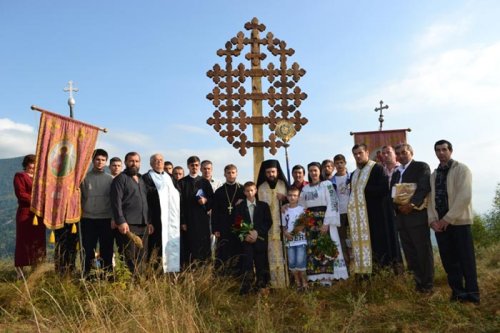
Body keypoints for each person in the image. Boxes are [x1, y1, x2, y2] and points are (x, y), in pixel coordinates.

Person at [428, 140, 480, 304]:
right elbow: (430, 200)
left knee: (466, 259)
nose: (441, 152)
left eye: (444, 149)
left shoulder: (462, 169)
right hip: (440, 225)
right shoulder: (434, 175)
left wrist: (447, 219)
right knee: (449, 261)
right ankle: (457, 292)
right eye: (438, 150)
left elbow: (464, 197)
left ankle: (472, 293)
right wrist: (432, 221)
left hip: (459, 222)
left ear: (450, 151)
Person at [348, 143, 397, 275]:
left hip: (377, 216)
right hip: (361, 219)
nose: (358, 156)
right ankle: (365, 274)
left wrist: (363, 189)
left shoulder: (377, 168)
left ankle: (382, 274)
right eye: (355, 154)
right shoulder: (354, 174)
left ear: (367, 153)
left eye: (360, 153)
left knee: (379, 246)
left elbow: (383, 189)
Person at [391, 143, 434, 293]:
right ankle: (417, 284)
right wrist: (398, 207)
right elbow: (393, 193)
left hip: (416, 216)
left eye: (404, 152)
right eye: (398, 153)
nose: (401, 155)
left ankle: (427, 285)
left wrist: (412, 204)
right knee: (410, 253)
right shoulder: (396, 173)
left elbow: (424, 187)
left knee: (423, 251)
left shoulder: (421, 167)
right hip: (401, 218)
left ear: (411, 152)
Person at [300, 162, 348, 283]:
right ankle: (316, 278)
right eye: (310, 171)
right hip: (311, 223)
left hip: (325, 221)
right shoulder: (305, 189)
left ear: (319, 171)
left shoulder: (326, 185)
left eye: (315, 170)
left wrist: (326, 223)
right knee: (313, 248)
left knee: (327, 247)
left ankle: (330, 278)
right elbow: (301, 206)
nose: (313, 173)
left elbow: (333, 203)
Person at [110, 152, 152, 274]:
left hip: (143, 224)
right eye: (131, 161)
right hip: (128, 225)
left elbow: (147, 202)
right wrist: (121, 221)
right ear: (126, 162)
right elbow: (116, 202)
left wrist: (149, 222)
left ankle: (139, 284)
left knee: (142, 256)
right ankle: (129, 285)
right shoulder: (120, 179)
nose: (134, 163)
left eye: (137, 161)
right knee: (129, 256)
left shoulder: (142, 179)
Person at [142, 154, 181, 273]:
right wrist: (149, 221)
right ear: (151, 163)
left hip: (171, 219)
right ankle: (155, 273)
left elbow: (178, 193)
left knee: (172, 244)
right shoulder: (146, 177)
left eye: (161, 160)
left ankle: (171, 271)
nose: (159, 162)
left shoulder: (170, 177)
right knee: (156, 246)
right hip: (156, 219)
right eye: (155, 160)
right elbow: (146, 198)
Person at [233, 181, 272, 295]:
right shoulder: (240, 206)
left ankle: (261, 287)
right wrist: (245, 235)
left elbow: (268, 222)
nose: (250, 193)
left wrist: (257, 232)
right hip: (247, 241)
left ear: (255, 191)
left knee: (261, 263)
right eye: (247, 191)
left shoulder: (263, 206)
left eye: (252, 190)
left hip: (259, 240)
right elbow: (237, 223)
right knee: (247, 263)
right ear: (244, 192)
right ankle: (247, 288)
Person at [80, 149, 114, 277]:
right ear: (92, 160)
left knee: (107, 249)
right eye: (97, 160)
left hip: (106, 218)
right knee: (88, 249)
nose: (100, 162)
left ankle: (108, 274)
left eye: (103, 160)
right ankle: (87, 274)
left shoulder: (110, 179)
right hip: (88, 218)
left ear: (106, 162)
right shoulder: (84, 178)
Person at [256, 159, 289, 288]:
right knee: (268, 256)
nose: (271, 174)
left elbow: (293, 201)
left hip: (282, 227)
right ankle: (271, 283)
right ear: (265, 173)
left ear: (277, 171)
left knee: (284, 254)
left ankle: (285, 282)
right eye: (268, 172)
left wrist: (285, 198)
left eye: (273, 172)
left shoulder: (283, 185)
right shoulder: (261, 187)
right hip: (267, 229)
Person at [14, 154, 46, 279]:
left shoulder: (40, 178)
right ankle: (19, 272)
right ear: (26, 164)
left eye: (35, 163)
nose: (33, 166)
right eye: (31, 163)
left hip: (39, 215)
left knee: (38, 242)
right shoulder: (20, 176)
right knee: (23, 241)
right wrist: (38, 201)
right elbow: (21, 194)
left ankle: (36, 271)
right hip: (25, 212)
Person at [178, 156, 214, 265]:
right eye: (192, 165)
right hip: (188, 220)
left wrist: (206, 200)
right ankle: (189, 270)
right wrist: (182, 221)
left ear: (199, 166)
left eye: (197, 165)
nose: (195, 167)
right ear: (188, 166)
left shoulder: (205, 182)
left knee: (203, 245)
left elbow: (212, 200)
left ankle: (204, 270)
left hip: (202, 219)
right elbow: (179, 203)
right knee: (189, 245)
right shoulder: (182, 183)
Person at [211, 164, 245, 275]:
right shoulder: (219, 191)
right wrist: (215, 228)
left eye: (233, 172)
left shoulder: (242, 190)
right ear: (224, 174)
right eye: (228, 173)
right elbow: (215, 211)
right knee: (223, 252)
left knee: (238, 251)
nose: (231, 175)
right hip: (223, 226)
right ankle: (222, 277)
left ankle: (239, 277)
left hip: (238, 225)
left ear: (237, 173)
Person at [281, 187, 308, 290]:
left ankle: (305, 284)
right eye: (290, 195)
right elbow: (284, 225)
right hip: (289, 241)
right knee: (292, 263)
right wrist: (285, 233)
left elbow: (303, 224)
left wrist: (295, 232)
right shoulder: (285, 210)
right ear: (287, 197)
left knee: (301, 262)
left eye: (295, 195)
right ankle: (298, 284)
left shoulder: (302, 209)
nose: (292, 197)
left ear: (298, 197)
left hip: (300, 240)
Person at [332, 154, 351, 268]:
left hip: (352, 212)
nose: (339, 165)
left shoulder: (352, 177)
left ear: (345, 163)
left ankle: (357, 264)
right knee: (342, 240)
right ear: (334, 165)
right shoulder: (331, 181)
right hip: (339, 214)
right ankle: (347, 266)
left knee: (353, 238)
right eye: (337, 163)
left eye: (341, 163)